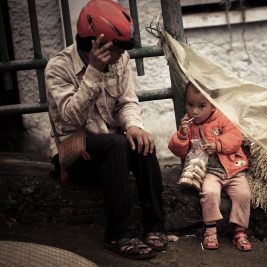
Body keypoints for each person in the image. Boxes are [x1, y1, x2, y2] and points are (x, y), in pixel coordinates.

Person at [45, 0, 167, 260]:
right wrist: (93, 72)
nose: (123, 54)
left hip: (110, 149)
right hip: (71, 149)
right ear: (94, 44)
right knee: (117, 143)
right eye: (117, 48)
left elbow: (127, 101)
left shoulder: (120, 59)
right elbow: (70, 119)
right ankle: (119, 234)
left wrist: (134, 126)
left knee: (141, 141)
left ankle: (155, 226)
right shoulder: (58, 67)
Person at [168, 82, 253, 251]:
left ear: (213, 105)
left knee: (243, 194)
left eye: (201, 106)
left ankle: (240, 231)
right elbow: (178, 150)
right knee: (209, 192)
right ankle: (210, 229)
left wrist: (218, 145)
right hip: (208, 172)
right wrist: (182, 135)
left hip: (232, 170)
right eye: (190, 105)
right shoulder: (188, 125)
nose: (194, 111)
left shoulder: (222, 119)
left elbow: (235, 137)